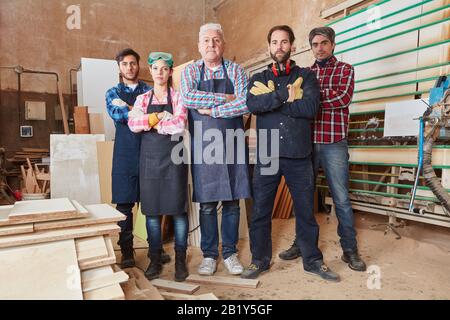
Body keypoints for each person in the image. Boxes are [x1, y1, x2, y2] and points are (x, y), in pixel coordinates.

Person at [241, 25, 339, 282]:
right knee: (261, 211)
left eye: (284, 42)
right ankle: (259, 260)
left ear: (292, 46)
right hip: (268, 154)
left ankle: (312, 260)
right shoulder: (257, 78)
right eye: (275, 42)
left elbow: (310, 108)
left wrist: (273, 103)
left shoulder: (307, 77)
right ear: (270, 47)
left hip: (298, 154)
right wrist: (286, 95)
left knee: (306, 211)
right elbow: (253, 104)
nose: (280, 47)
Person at [278, 26, 366, 272]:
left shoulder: (345, 69)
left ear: (333, 44)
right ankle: (301, 244)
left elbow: (343, 99)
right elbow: (298, 102)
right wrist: (310, 97)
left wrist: (312, 97)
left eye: (324, 43)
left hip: (334, 142)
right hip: (306, 144)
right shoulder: (305, 73)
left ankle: (350, 250)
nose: (320, 48)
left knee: (341, 199)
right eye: (315, 44)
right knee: (303, 198)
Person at [180, 23, 251, 276]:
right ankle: (210, 255)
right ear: (199, 46)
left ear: (223, 44)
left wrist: (212, 110)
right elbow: (188, 98)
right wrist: (225, 98)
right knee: (208, 204)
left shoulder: (236, 71)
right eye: (207, 41)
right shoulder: (190, 71)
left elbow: (244, 103)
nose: (211, 44)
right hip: (205, 145)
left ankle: (230, 253)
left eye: (216, 40)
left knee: (232, 202)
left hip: (232, 141)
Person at [128, 52, 189, 282]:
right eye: (156, 68)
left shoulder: (178, 97)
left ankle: (181, 260)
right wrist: (159, 118)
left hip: (175, 159)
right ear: (151, 71)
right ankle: (155, 259)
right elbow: (133, 124)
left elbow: (179, 125)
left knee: (178, 211)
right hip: (150, 160)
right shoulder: (142, 98)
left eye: (165, 68)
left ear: (170, 71)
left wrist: (151, 122)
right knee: (151, 212)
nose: (160, 72)